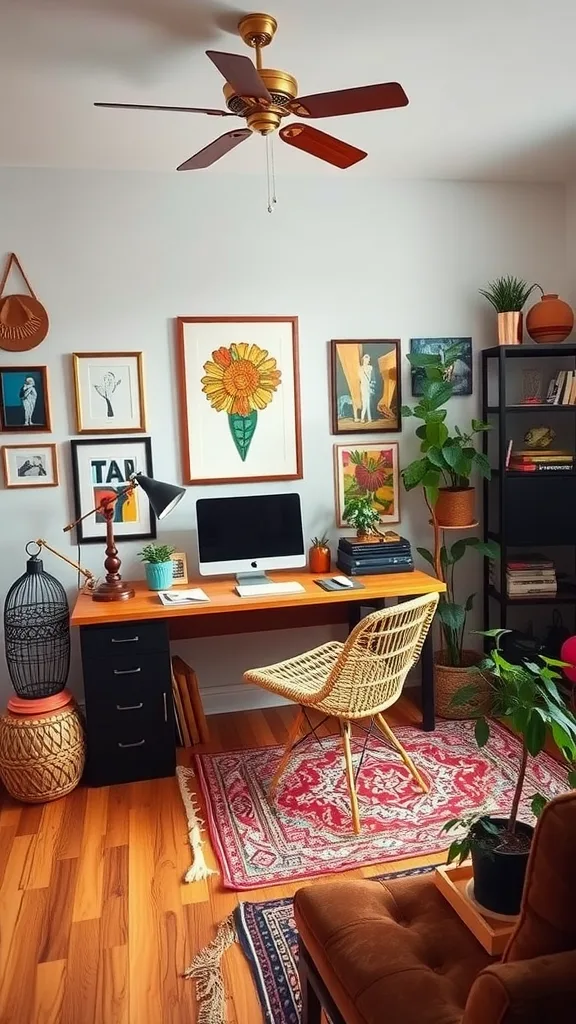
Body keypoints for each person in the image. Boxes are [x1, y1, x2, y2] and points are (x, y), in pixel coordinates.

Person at [358, 353, 374, 422]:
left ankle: (365, 418)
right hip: (363, 386)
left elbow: (371, 377)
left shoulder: (370, 367)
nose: (367, 361)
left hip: (367, 386)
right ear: (364, 360)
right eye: (366, 359)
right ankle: (364, 418)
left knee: (368, 402)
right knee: (365, 402)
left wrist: (370, 384)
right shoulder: (361, 368)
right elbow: (360, 378)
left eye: (368, 359)